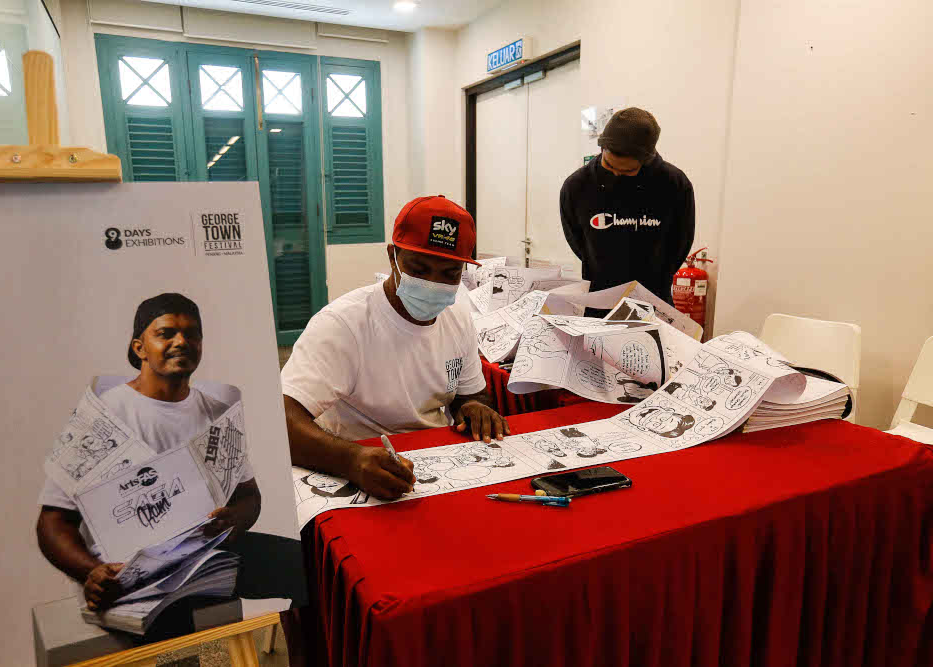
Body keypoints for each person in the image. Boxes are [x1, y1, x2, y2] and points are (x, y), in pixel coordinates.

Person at [36, 293, 262, 612]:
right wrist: (91, 572)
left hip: (200, 566)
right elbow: (52, 521)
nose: (182, 341)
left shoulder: (217, 414)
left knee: (294, 566)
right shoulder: (103, 415)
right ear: (138, 347)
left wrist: (235, 519)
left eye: (192, 333)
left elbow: (250, 497)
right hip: (127, 581)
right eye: (166, 333)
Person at [281, 195, 511, 502]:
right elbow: (282, 421)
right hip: (356, 462)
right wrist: (351, 460)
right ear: (393, 257)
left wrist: (472, 408)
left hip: (436, 465)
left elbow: (471, 394)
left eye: (449, 275)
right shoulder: (343, 324)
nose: (432, 284)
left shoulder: (457, 316)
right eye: (419, 269)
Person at [560, 107, 695, 305]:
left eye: (628, 171)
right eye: (609, 166)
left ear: (646, 161)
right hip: (598, 301)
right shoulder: (577, 186)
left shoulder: (674, 185)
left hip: (654, 300)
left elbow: (681, 242)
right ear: (601, 149)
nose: (616, 174)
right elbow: (577, 241)